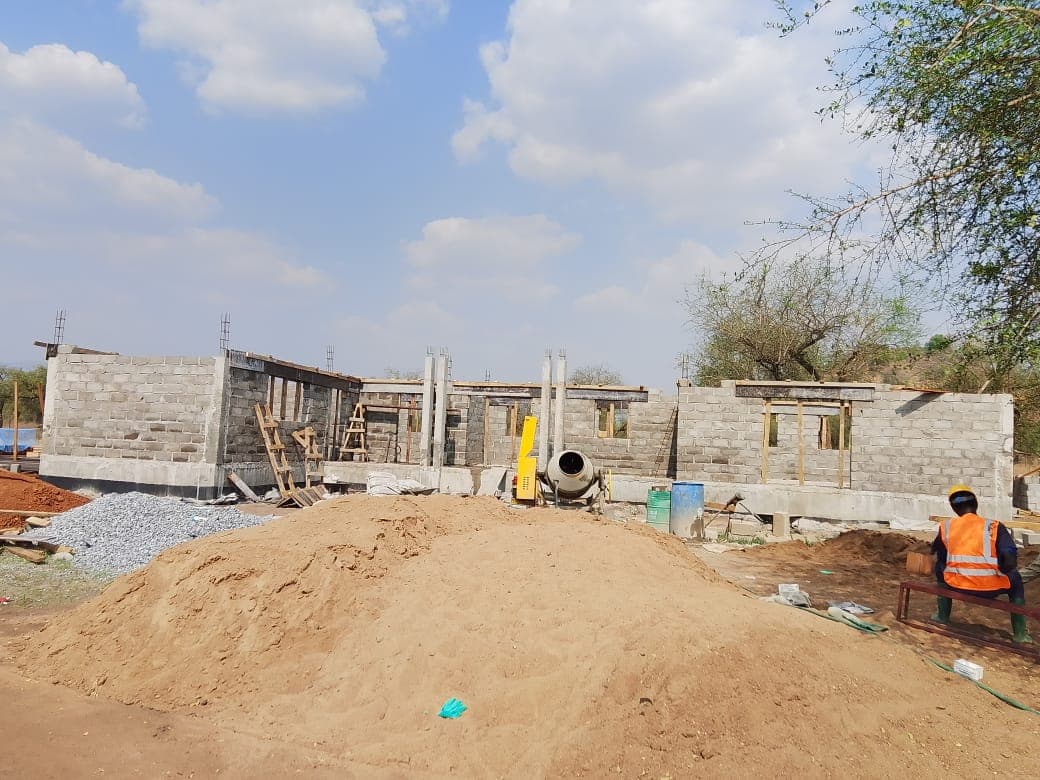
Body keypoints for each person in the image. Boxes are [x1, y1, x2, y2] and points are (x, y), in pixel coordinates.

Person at [931, 484, 1032, 644]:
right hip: (990, 588)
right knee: (1016, 580)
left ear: (953, 507)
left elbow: (938, 554)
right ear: (976, 503)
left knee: (940, 567)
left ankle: (942, 616)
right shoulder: (994, 526)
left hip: (956, 585)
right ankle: (1020, 635)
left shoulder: (946, 527)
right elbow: (1009, 561)